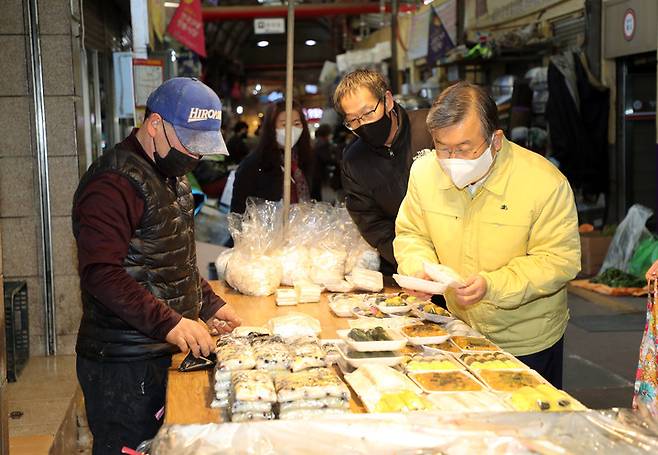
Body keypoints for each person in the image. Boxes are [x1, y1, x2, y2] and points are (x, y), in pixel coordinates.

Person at [72, 77, 242, 454]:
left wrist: (208, 304)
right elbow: (101, 274)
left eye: (202, 145)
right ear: (154, 125)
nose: (195, 155)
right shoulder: (113, 183)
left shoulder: (171, 176)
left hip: (154, 353)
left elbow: (172, 258)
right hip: (123, 365)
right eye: (189, 142)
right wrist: (171, 322)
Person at [393, 81, 581, 388]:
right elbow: (412, 233)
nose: (453, 159)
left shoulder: (544, 182)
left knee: (529, 427)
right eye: (443, 147)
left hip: (526, 339)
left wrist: (491, 285)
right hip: (458, 330)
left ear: (496, 140)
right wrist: (419, 268)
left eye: (465, 148)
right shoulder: (425, 172)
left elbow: (558, 260)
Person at [334, 69, 432, 275]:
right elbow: (372, 222)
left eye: (369, 112)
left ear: (387, 100)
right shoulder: (354, 161)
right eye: (353, 120)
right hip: (408, 267)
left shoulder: (431, 128)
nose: (364, 124)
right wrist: (409, 262)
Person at [230, 100, 314, 214]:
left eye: (297, 123)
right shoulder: (253, 164)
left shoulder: (306, 160)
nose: (291, 129)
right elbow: (238, 212)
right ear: (271, 127)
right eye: (284, 124)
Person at [311, 123, 338, 201]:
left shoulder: (317, 141)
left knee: (315, 192)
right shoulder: (323, 143)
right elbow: (326, 159)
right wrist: (336, 162)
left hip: (314, 171)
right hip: (318, 172)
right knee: (317, 194)